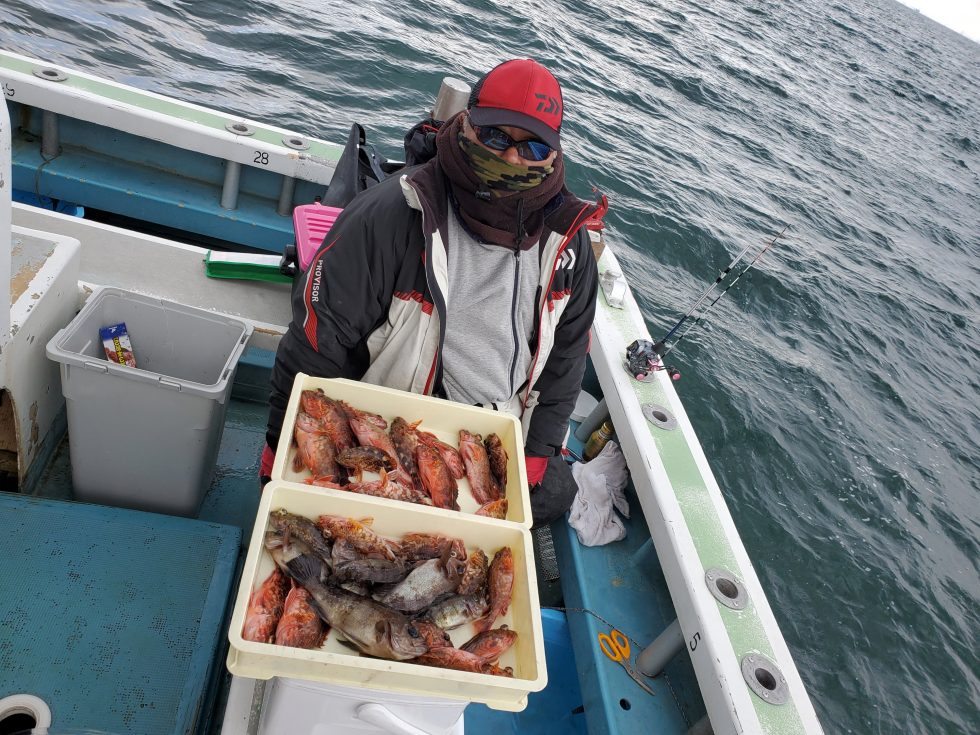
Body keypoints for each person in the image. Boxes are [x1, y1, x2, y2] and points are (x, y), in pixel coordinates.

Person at [262, 58, 606, 528]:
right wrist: (277, 445)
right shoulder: (389, 215)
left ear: (554, 153)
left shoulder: (570, 243)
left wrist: (536, 454)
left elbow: (566, 359)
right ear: (466, 123)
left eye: (532, 147)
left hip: (493, 428)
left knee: (553, 496)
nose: (510, 159)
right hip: (390, 414)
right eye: (496, 138)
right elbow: (316, 341)